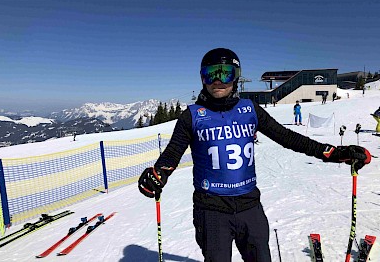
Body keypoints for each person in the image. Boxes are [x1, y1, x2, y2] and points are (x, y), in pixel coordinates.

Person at [138, 48, 372, 262]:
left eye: (226, 73)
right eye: (211, 74)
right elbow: (171, 155)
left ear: (236, 77)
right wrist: (158, 175)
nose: (218, 81)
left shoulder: (250, 110)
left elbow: (288, 137)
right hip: (211, 210)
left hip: (250, 206)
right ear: (202, 78)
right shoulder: (192, 116)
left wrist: (332, 153)